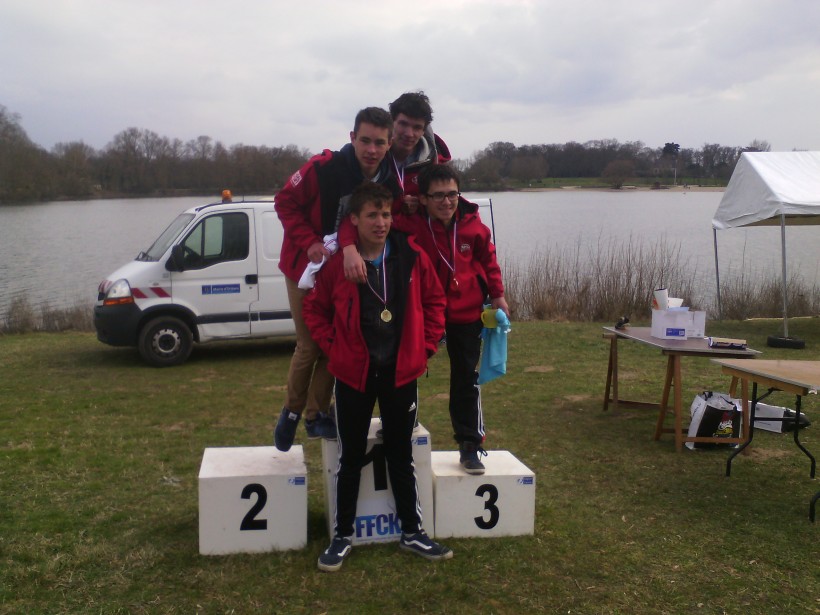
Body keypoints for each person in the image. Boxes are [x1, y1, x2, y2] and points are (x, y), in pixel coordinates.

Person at [303, 182, 451, 572]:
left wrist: (428, 345)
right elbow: (314, 310)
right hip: (353, 373)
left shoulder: (409, 255)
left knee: (401, 454)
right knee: (350, 457)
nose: (381, 222)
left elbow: (436, 301)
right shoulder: (339, 265)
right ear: (354, 220)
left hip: (401, 372)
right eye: (372, 215)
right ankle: (342, 536)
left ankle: (413, 531)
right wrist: (334, 348)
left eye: (386, 214)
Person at [273, 107, 402, 451]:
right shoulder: (323, 167)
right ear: (352, 138)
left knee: (338, 342)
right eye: (364, 141)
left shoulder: (389, 179)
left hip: (343, 272)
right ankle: (290, 412)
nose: (371, 150)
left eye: (378, 142)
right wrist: (309, 241)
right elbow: (284, 202)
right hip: (304, 266)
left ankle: (316, 416)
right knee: (310, 343)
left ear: (389, 144)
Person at [393, 164, 509, 474]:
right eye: (439, 196)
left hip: (466, 313)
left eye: (452, 194)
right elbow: (379, 222)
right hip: (424, 313)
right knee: (409, 369)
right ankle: (402, 424)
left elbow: (489, 261)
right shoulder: (411, 226)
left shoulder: (474, 227)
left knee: (466, 379)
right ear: (424, 199)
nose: (447, 202)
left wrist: (497, 295)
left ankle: (470, 444)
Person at [343, 90, 451, 282]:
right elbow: (354, 212)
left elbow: (448, 206)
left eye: (417, 127)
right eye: (403, 124)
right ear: (391, 121)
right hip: (375, 254)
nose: (409, 134)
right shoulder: (371, 157)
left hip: (418, 255)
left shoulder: (433, 163)